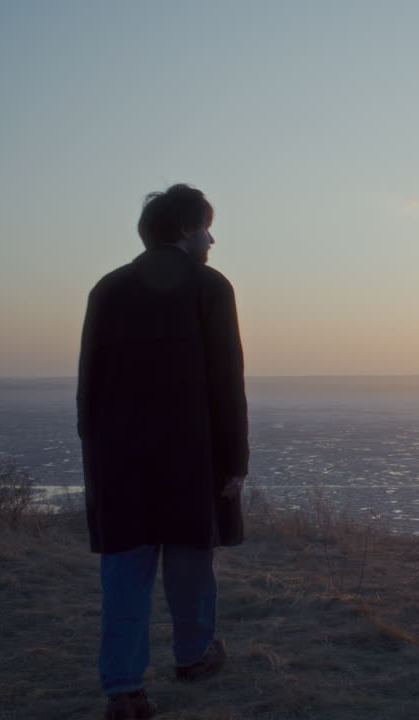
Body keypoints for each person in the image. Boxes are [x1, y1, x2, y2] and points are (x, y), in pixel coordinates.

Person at [77, 184, 249, 720]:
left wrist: (95, 455)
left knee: (124, 573)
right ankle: (194, 657)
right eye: (205, 226)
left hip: (119, 459)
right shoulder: (209, 287)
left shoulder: (108, 289)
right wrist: (235, 460)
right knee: (191, 562)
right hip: (189, 457)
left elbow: (89, 386)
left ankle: (124, 690)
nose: (212, 237)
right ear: (184, 229)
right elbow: (226, 380)